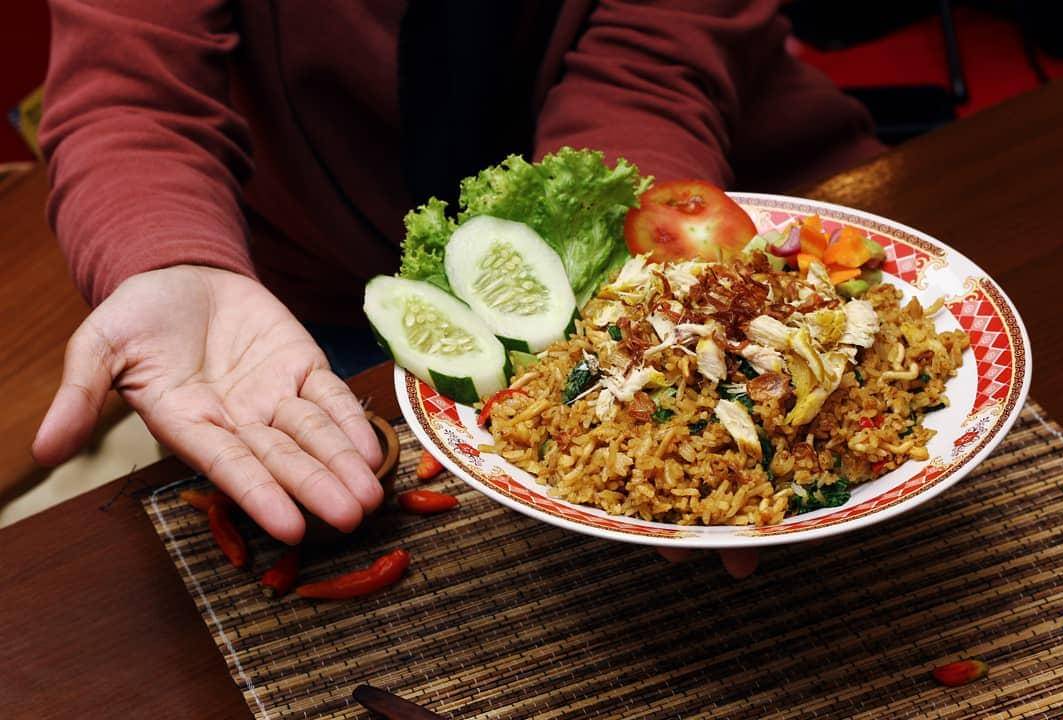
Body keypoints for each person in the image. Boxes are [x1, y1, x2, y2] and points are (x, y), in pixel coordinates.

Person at [32, 0, 883, 576]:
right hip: (315, 284)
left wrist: (628, 269)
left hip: (711, 201)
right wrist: (170, 258)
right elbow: (131, 88)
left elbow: (654, 59)